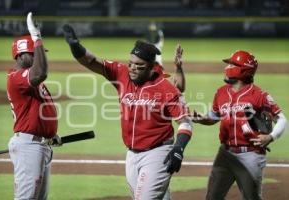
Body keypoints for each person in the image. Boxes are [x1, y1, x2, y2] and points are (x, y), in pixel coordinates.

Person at [63, 24, 193, 200]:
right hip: (131, 154)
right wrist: (74, 45)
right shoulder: (121, 74)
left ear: (152, 67)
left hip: (158, 153)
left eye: (139, 65)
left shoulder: (165, 88)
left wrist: (179, 148)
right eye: (130, 63)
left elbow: (185, 121)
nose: (132, 68)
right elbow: (92, 61)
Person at [192, 50, 287, 200]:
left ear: (244, 69)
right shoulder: (221, 93)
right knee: (212, 197)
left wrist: (271, 136)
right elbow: (214, 116)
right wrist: (201, 119)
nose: (227, 67)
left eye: (231, 64)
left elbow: (281, 119)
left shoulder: (259, 95)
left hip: (251, 155)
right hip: (225, 153)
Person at [7, 12, 61, 200]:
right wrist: (36, 37)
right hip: (29, 146)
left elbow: (39, 110)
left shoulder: (31, 82)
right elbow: (41, 72)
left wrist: (50, 133)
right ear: (21, 56)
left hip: (40, 144)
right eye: (35, 54)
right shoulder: (17, 78)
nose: (40, 58)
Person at [146, 23, 186, 93]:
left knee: (158, 69)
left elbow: (180, 89)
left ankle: (160, 79)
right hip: (154, 55)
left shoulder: (158, 39)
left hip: (157, 55)